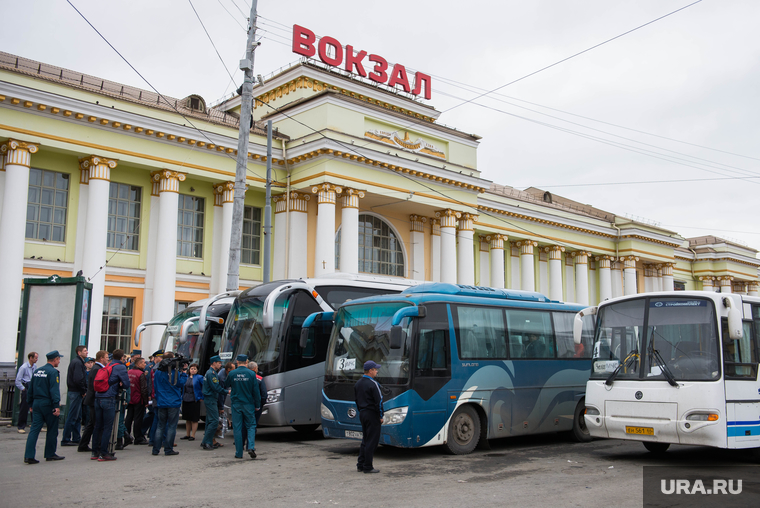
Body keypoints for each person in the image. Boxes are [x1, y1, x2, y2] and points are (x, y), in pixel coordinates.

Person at [23, 350, 65, 464]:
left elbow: (30, 389)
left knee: (34, 430)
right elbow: (54, 390)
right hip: (47, 403)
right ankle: (50, 453)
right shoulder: (53, 372)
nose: (59, 361)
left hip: (36, 403)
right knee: (52, 429)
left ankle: (29, 455)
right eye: (59, 359)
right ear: (55, 359)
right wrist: (56, 405)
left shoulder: (37, 371)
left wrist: (30, 403)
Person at [92, 349, 130, 461]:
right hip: (109, 397)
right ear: (122, 357)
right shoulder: (120, 367)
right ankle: (104, 453)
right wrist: (121, 384)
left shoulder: (108, 365)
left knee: (98, 426)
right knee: (108, 426)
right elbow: (127, 384)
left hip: (98, 396)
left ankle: (95, 451)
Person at [225, 355, 261, 459]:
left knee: (237, 427)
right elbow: (256, 391)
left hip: (236, 403)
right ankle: (250, 446)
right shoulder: (251, 373)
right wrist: (257, 405)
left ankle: (238, 453)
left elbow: (226, 383)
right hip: (248, 403)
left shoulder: (232, 373)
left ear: (237, 362)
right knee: (251, 425)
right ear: (246, 361)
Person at [152, 352, 188, 456]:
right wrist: (184, 372)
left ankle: (155, 449)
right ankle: (168, 449)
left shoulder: (158, 371)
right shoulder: (174, 372)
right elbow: (181, 383)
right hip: (173, 402)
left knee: (160, 426)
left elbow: (156, 386)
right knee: (172, 426)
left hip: (161, 401)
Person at [354, 360, 384, 474]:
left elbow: (356, 400)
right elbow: (379, 401)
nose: (377, 371)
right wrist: (381, 415)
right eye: (375, 369)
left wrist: (361, 411)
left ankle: (360, 464)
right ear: (370, 371)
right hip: (372, 414)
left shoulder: (358, 383)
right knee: (372, 440)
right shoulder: (373, 384)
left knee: (365, 439)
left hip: (363, 413)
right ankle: (368, 466)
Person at [79, 351, 107, 453]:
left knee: (91, 423)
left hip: (92, 398)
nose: (107, 359)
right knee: (95, 423)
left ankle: (83, 444)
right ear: (101, 358)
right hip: (94, 399)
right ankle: (94, 446)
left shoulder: (96, 368)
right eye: (106, 357)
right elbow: (96, 385)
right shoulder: (97, 369)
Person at [61, 345, 88, 447]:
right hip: (76, 391)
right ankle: (66, 439)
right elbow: (78, 379)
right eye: (85, 351)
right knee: (72, 416)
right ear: (79, 352)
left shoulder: (78, 362)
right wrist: (83, 390)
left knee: (77, 416)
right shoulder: (77, 363)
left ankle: (76, 438)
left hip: (76, 391)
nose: (87, 352)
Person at [201, 356, 226, 450]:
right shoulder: (211, 373)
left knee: (209, 421)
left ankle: (206, 441)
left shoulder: (212, 372)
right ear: (213, 363)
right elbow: (215, 387)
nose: (220, 364)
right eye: (219, 362)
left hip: (210, 398)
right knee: (214, 421)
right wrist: (226, 391)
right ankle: (207, 441)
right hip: (211, 398)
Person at [125, 357, 149, 445]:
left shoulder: (129, 372)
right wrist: (146, 401)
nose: (145, 364)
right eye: (143, 363)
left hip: (130, 398)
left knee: (129, 418)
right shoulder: (140, 374)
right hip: (138, 399)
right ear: (139, 364)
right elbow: (143, 389)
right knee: (138, 419)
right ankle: (138, 437)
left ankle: (126, 435)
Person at [143, 349, 163, 443]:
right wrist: (148, 395)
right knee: (153, 415)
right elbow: (148, 382)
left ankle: (151, 436)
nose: (162, 359)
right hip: (153, 395)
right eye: (161, 357)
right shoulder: (150, 367)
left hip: (154, 395)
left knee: (154, 416)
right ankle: (147, 434)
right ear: (156, 358)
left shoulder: (156, 367)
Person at [15, 351, 38, 433]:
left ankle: (34, 424)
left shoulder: (34, 366)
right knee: (24, 407)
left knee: (34, 406)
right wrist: (23, 389)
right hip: (26, 385)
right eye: (35, 358)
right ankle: (21, 426)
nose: (37, 359)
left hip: (32, 386)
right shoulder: (24, 367)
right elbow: (18, 380)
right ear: (30, 358)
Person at [180, 363, 203, 441]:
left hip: (195, 399)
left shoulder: (199, 377)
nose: (193, 370)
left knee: (194, 418)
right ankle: (187, 434)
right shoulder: (185, 377)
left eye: (195, 369)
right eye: (191, 369)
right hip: (186, 398)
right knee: (187, 418)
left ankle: (193, 435)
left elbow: (204, 387)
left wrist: (201, 397)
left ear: (197, 370)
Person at [249, 361, 268, 430]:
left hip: (245, 403)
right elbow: (264, 393)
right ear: (255, 368)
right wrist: (261, 403)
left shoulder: (244, 378)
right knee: (253, 424)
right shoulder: (259, 378)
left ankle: (242, 439)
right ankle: (250, 439)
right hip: (256, 405)